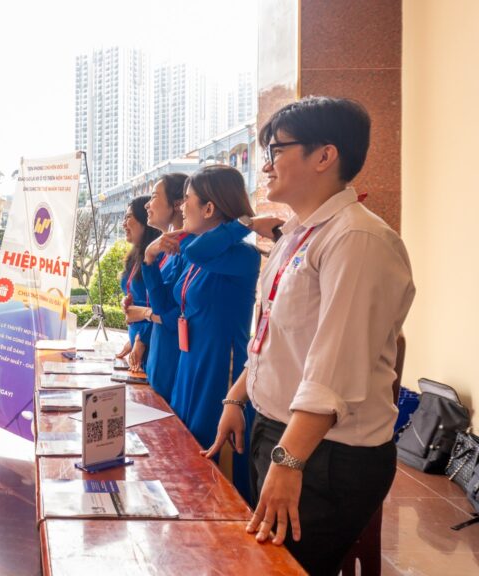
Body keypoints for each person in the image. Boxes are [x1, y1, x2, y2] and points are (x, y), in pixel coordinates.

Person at [203, 97, 414, 576]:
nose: (267, 164)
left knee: (281, 568)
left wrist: (289, 462)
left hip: (325, 456)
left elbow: (333, 369)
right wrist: (237, 398)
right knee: (262, 561)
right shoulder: (299, 234)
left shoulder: (357, 239)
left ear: (324, 156)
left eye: (277, 150)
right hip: (282, 435)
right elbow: (274, 337)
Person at [144, 165, 262, 499]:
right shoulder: (199, 257)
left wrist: (245, 223)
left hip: (219, 373)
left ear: (209, 208)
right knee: (187, 457)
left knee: (216, 476)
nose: (182, 207)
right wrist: (150, 260)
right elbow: (165, 307)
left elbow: (196, 249)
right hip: (189, 367)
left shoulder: (243, 255)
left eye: (188, 200)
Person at [140, 173, 189, 400]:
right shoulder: (166, 250)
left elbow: (171, 313)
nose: (147, 204)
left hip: (173, 363)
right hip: (157, 361)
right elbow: (159, 304)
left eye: (154, 196)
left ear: (177, 204)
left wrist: (146, 314)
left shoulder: (187, 250)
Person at [115, 195, 161, 371]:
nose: (123, 224)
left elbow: (159, 307)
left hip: (152, 345)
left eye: (128, 217)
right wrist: (132, 339)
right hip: (137, 346)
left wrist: (142, 339)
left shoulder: (157, 256)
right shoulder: (136, 255)